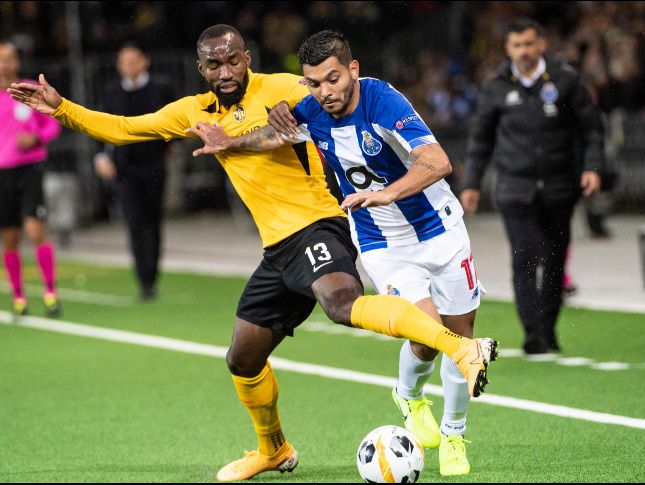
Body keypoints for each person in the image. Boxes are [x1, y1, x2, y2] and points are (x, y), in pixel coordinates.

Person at [7, 24, 497, 482]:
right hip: (278, 248)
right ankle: (274, 449)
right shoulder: (193, 112)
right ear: (201, 69)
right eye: (213, 66)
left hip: (322, 222)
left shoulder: (284, 87)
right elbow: (125, 128)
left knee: (340, 303)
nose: (225, 73)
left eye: (232, 62)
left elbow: (336, 96)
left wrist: (316, 111)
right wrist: (61, 108)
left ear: (246, 59)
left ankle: (459, 349)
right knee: (243, 357)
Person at [189, 29, 487, 477]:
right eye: (312, 83)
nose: (324, 92)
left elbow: (438, 162)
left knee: (462, 330)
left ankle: (453, 434)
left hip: (439, 227)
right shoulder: (310, 110)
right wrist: (230, 143)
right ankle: (408, 397)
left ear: (353, 70)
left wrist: (389, 193)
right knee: (430, 335)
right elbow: (272, 135)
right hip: (382, 240)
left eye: (332, 79)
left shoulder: (383, 101)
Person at [460, 19, 603, 354]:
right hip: (514, 188)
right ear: (508, 49)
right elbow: (480, 139)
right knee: (524, 258)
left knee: (554, 261)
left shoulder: (566, 80)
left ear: (541, 44)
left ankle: (549, 329)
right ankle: (533, 333)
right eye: (516, 45)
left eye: (528, 44)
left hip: (559, 187)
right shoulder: (495, 86)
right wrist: (471, 184)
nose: (523, 51)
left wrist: (593, 168)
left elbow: (593, 128)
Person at [0, 40, 62, 317]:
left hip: (31, 169)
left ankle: (50, 292)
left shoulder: (31, 88)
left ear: (17, 62)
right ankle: (19, 297)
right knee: (9, 237)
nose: (5, 63)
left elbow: (53, 123)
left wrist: (36, 137)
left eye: (9, 58)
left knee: (35, 231)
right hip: (0, 172)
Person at [93, 43, 175, 301]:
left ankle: (152, 275)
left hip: (153, 166)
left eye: (133, 60)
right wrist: (101, 157)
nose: (129, 65)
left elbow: (178, 120)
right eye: (123, 61)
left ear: (144, 61)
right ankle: (143, 279)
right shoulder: (111, 93)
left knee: (153, 221)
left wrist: (172, 146)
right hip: (125, 169)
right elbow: (99, 126)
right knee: (134, 223)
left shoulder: (161, 89)